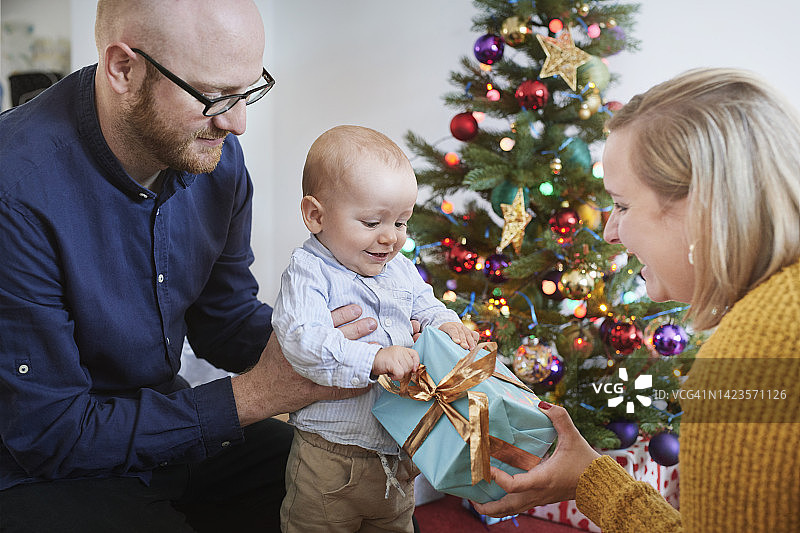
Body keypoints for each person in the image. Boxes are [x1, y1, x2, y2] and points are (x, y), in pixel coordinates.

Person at [0, 2, 380, 532]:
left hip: (162, 426)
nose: (238, 123)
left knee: (333, 488)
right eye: (214, 96)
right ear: (123, 69)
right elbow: (51, 435)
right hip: (38, 466)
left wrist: (333, 349)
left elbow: (222, 318)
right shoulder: (14, 190)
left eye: (248, 90)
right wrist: (257, 395)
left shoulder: (213, 155)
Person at [473, 68, 800, 532]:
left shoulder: (756, 352)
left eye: (622, 205)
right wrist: (589, 478)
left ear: (702, 207)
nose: (608, 231)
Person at [273, 125, 480, 532]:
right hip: (330, 461)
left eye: (402, 223)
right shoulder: (309, 273)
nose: (391, 238)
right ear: (316, 215)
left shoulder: (398, 267)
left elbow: (425, 302)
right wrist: (375, 357)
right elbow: (303, 341)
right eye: (371, 222)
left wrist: (449, 325)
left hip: (396, 458)